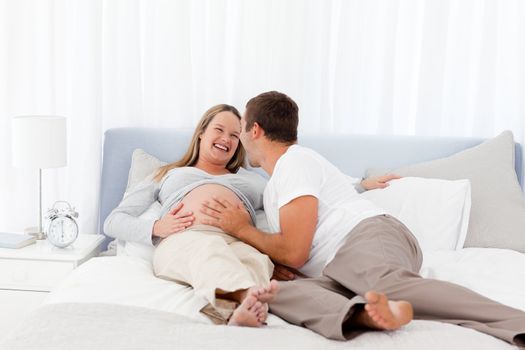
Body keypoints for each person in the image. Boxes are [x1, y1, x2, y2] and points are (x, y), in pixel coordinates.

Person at [200, 91, 525, 345]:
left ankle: (517, 323)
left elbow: (295, 250)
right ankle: (369, 314)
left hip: (367, 238)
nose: (238, 139)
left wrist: (241, 228)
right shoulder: (286, 178)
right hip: (340, 269)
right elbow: (336, 194)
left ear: (254, 129)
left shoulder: (294, 164)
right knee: (274, 294)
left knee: (383, 281)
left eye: (240, 128)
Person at [104, 104, 279, 327]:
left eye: (235, 135)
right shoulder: (167, 173)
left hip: (237, 241)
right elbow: (113, 221)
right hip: (184, 240)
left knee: (257, 261)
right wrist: (157, 228)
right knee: (209, 250)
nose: (226, 139)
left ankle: (227, 314)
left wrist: (279, 256)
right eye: (219, 130)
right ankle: (248, 297)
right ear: (201, 133)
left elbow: (282, 218)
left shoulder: (256, 181)